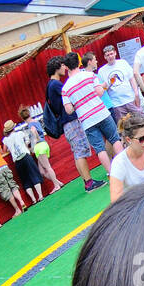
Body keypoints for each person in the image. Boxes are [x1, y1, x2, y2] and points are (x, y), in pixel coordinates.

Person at [47, 55, 103, 191]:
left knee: (77, 151)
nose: (64, 68)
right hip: (70, 120)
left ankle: (87, 181)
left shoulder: (50, 85)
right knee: (80, 150)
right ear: (57, 68)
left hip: (66, 122)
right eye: (62, 65)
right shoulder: (56, 85)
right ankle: (89, 182)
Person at [62, 51, 122, 177]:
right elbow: (100, 92)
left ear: (66, 67)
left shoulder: (65, 88)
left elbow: (69, 110)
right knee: (115, 139)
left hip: (87, 121)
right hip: (102, 112)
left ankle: (112, 173)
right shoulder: (90, 75)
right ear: (78, 63)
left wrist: (77, 102)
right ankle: (124, 166)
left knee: (100, 149)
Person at [15, 106, 61, 193]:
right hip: (43, 144)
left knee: (47, 167)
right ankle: (57, 182)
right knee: (42, 171)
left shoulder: (30, 125)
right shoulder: (35, 121)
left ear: (22, 118)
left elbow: (33, 131)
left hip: (39, 146)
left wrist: (35, 140)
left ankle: (56, 185)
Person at [98, 43, 144, 123]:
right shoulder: (102, 71)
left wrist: (136, 94)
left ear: (115, 53)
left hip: (130, 99)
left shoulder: (123, 63)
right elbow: (103, 89)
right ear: (105, 57)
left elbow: (132, 79)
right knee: (124, 128)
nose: (110, 56)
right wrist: (109, 82)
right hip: (117, 104)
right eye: (107, 55)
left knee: (141, 122)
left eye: (111, 54)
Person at [2, 118, 44, 205]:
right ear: (13, 127)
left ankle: (33, 199)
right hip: (25, 156)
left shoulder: (5, 140)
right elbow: (28, 141)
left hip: (17, 161)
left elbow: (4, 150)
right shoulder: (20, 133)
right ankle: (40, 196)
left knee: (25, 180)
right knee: (34, 175)